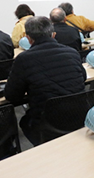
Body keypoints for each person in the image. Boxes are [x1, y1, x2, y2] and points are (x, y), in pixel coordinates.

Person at [5, 16, 86, 146]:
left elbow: (12, 96)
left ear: (28, 38)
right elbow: (83, 78)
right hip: (79, 115)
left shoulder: (24, 59)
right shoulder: (72, 52)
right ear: (53, 35)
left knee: (25, 122)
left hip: (47, 120)